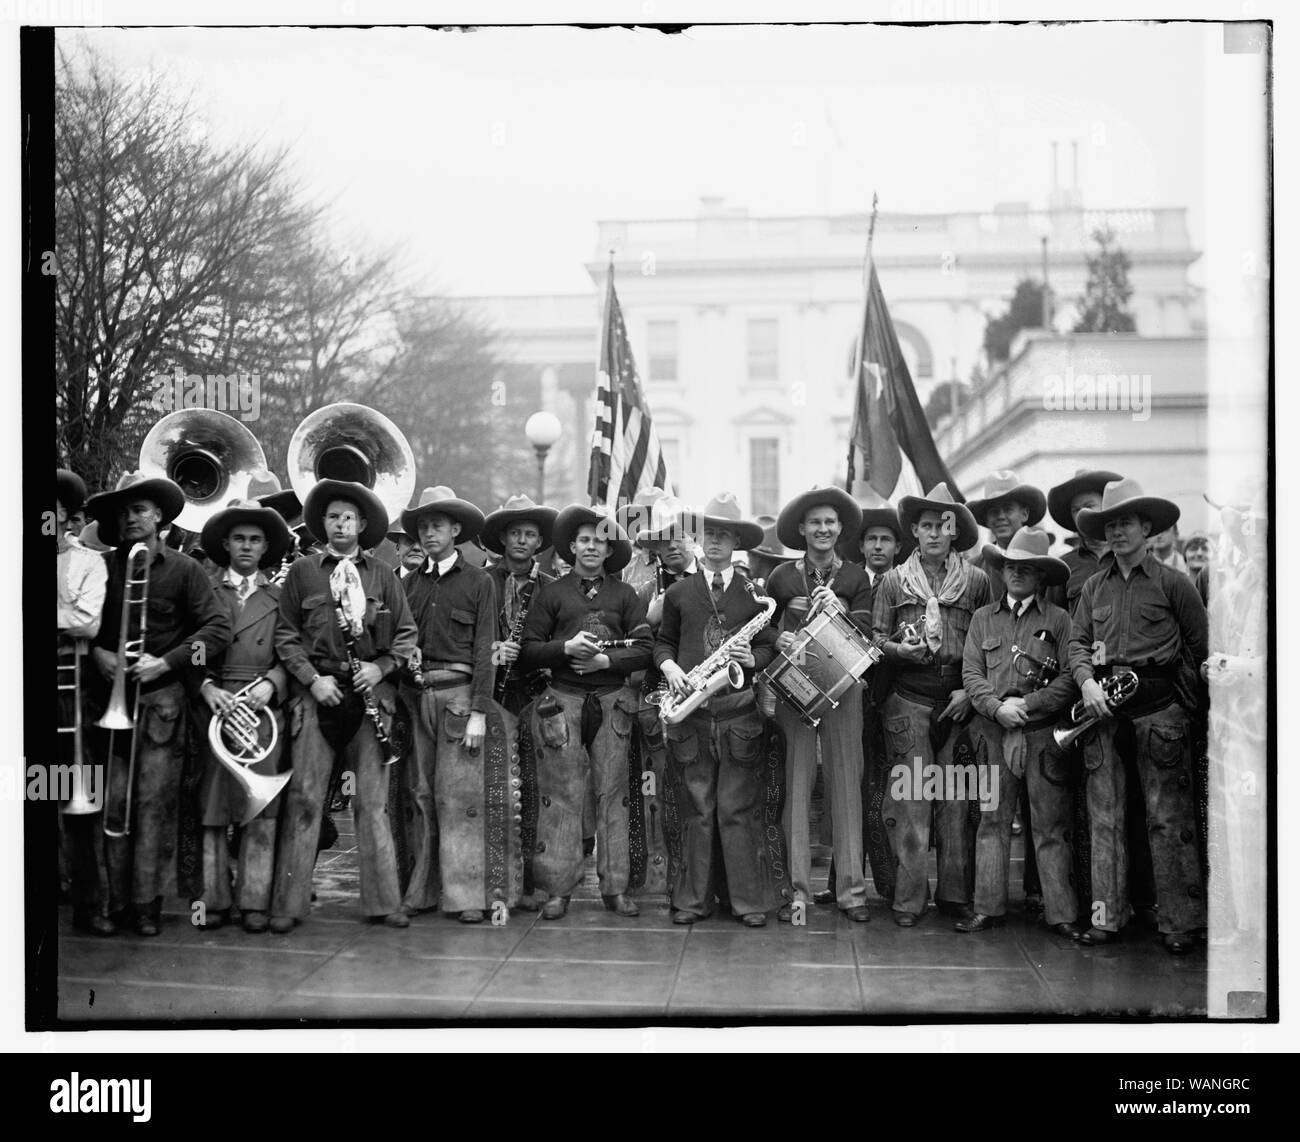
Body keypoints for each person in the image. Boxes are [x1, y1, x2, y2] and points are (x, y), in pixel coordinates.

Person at [84, 471, 232, 937]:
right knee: (110, 804)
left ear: (160, 518)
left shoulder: (186, 570)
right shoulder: (99, 566)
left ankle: (146, 905)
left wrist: (167, 663)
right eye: (124, 512)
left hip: (160, 707)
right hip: (106, 705)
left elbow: (217, 632)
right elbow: (76, 623)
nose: (131, 518)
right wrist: (97, 652)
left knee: (151, 807)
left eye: (140, 510)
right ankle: (111, 903)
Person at [269, 478, 418, 933]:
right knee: (305, 799)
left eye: (348, 517)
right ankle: (288, 905)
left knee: (372, 806)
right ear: (323, 523)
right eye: (332, 517)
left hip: (370, 696)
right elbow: (285, 635)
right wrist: (311, 681)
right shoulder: (302, 573)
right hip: (319, 695)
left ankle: (384, 902)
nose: (340, 524)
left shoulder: (383, 576)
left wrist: (381, 668)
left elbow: (408, 635)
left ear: (363, 524)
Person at [1067, 478, 1208, 954]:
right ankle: (1107, 917)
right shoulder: (1092, 587)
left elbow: (1199, 647)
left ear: (1147, 526)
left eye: (1126, 521)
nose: (1118, 531)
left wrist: (1185, 706)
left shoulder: (1174, 583)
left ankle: (1179, 923)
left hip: (1159, 709)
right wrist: (1087, 682)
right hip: (1104, 707)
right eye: (1111, 524)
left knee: (1167, 818)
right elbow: (1077, 643)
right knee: (1103, 817)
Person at [517, 505, 652, 919]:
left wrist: (606, 664)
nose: (593, 547)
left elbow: (645, 648)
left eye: (601, 540)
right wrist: (564, 650)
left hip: (612, 703)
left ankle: (615, 888)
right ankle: (558, 889)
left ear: (609, 548)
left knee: (614, 794)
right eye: (586, 540)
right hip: (563, 702)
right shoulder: (553, 593)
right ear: (572, 547)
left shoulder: (625, 595)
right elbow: (527, 649)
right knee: (562, 795)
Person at [397, 485, 525, 922]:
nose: (429, 533)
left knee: (460, 798)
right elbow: (399, 639)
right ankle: (422, 890)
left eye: (437, 525)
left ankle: (467, 895)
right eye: (423, 527)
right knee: (420, 794)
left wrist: (477, 711)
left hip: (458, 699)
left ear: (456, 530)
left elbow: (486, 650)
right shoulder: (408, 584)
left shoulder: (479, 582)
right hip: (417, 698)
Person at [654, 494, 779, 927]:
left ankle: (747, 903)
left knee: (736, 809)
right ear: (698, 539)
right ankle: (692, 902)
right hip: (692, 714)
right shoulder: (678, 593)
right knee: (697, 809)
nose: (715, 543)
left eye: (724, 535)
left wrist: (753, 661)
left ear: (737, 543)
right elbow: (663, 642)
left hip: (738, 714)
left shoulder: (753, 593)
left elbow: (767, 645)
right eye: (709, 534)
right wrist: (668, 666)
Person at [872, 482, 991, 927]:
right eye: (926, 526)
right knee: (912, 804)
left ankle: (957, 896)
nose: (935, 533)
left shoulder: (977, 582)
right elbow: (875, 639)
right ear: (915, 533)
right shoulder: (893, 581)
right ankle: (909, 899)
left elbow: (988, 641)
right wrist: (899, 652)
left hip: (959, 702)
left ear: (955, 532)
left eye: (944, 525)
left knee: (957, 804)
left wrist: (970, 692)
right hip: (910, 701)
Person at [958, 527, 1080, 937]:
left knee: (1049, 825)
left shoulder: (1059, 620)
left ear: (1040, 576)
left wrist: (1027, 705)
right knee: (992, 820)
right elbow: (971, 673)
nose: (1016, 574)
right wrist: (996, 708)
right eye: (1010, 566)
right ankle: (987, 909)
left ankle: (1061, 913)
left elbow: (1068, 677)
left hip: (1043, 733)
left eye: (1025, 568)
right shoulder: (981, 619)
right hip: (993, 732)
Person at [767, 486, 872, 923]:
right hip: (796, 687)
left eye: (830, 522)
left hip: (844, 686)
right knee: (798, 784)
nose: (823, 529)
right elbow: (763, 630)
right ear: (802, 530)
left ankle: (851, 891)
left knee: (846, 784)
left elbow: (868, 635)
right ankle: (797, 892)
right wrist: (780, 638)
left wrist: (840, 613)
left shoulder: (856, 578)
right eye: (815, 523)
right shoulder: (781, 578)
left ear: (840, 528)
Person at [192, 497, 295, 933]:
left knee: (262, 806)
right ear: (226, 544)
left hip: (263, 709)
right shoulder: (205, 590)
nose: (247, 547)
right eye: (239, 539)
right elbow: (192, 646)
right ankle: (213, 898)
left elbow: (293, 647)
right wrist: (206, 686)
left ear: (266, 546)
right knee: (213, 806)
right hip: (216, 706)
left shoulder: (281, 595)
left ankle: (254, 900)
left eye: (256, 540)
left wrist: (274, 682)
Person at [815, 486, 904, 906]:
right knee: (849, 787)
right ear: (861, 545)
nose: (878, 546)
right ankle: (841, 881)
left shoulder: (904, 585)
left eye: (886, 539)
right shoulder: (848, 579)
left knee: (882, 794)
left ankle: (888, 881)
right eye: (871, 539)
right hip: (849, 697)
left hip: (892, 696)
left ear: (897, 546)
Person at [57, 469, 111, 935]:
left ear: (65, 516)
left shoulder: (90, 563)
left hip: (72, 695)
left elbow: (88, 625)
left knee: (80, 801)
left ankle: (89, 905)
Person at [479, 494, 559, 717]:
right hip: (492, 691)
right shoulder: (479, 581)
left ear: (539, 542)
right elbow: (464, 641)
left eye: (530, 534)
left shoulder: (554, 588)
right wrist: (496, 652)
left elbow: (562, 641)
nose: (522, 540)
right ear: (503, 538)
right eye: (515, 533)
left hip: (540, 695)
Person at [1045, 469, 1123, 615]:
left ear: (1106, 507)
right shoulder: (1062, 568)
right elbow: (1052, 623)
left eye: (1089, 506)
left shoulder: (1130, 557)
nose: (1082, 513)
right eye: (1076, 509)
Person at [966, 470, 1047, 579]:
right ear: (986, 520)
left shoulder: (1044, 565)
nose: (1001, 516)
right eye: (994, 512)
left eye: (1008, 509)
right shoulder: (971, 570)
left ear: (1024, 514)